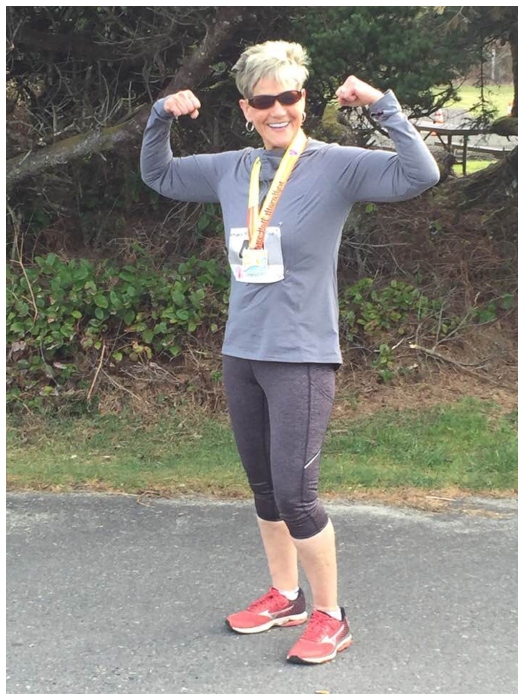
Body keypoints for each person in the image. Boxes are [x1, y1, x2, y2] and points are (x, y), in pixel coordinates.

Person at [140, 40, 440, 665]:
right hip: (242, 351)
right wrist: (160, 116)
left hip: (301, 355)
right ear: (246, 108)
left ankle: (331, 615)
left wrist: (381, 105)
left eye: (289, 96)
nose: (278, 109)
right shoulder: (232, 168)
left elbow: (420, 175)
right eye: (264, 100)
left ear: (303, 99)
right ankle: (285, 596)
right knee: (264, 490)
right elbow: (160, 174)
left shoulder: (337, 165)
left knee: (297, 496)